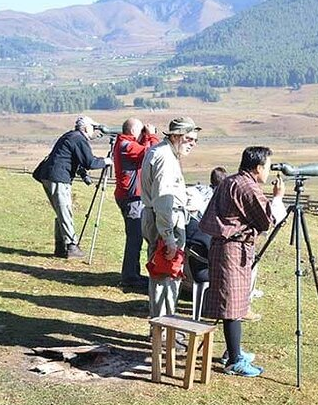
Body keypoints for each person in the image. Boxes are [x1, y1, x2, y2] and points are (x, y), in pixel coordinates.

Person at [199, 146, 285, 378]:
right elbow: (267, 220)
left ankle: (233, 351)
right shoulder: (247, 186)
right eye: (267, 166)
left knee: (234, 302)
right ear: (258, 168)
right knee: (232, 305)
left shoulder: (232, 181)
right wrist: (277, 198)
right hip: (232, 250)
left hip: (228, 248)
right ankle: (234, 361)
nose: (269, 172)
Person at [140, 116, 201, 318]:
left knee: (164, 275)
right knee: (166, 275)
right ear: (176, 136)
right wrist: (169, 239)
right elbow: (164, 201)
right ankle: (164, 329)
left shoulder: (164, 153)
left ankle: (163, 325)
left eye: (195, 140)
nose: (193, 144)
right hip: (166, 222)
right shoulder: (165, 158)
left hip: (162, 219)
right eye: (189, 139)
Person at [33, 115, 112, 259]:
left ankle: (61, 247)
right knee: (65, 211)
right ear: (86, 128)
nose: (94, 131)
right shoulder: (79, 139)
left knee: (61, 211)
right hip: (58, 178)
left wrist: (83, 175)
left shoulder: (70, 136)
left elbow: (74, 159)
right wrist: (106, 161)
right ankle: (71, 246)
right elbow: (89, 162)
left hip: (49, 176)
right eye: (93, 128)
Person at [113, 117, 159, 288]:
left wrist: (146, 137)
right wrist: (152, 136)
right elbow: (152, 154)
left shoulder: (125, 144)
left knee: (135, 237)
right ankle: (130, 277)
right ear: (133, 131)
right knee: (134, 238)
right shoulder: (127, 145)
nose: (143, 134)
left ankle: (132, 274)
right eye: (141, 131)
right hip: (132, 199)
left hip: (128, 196)